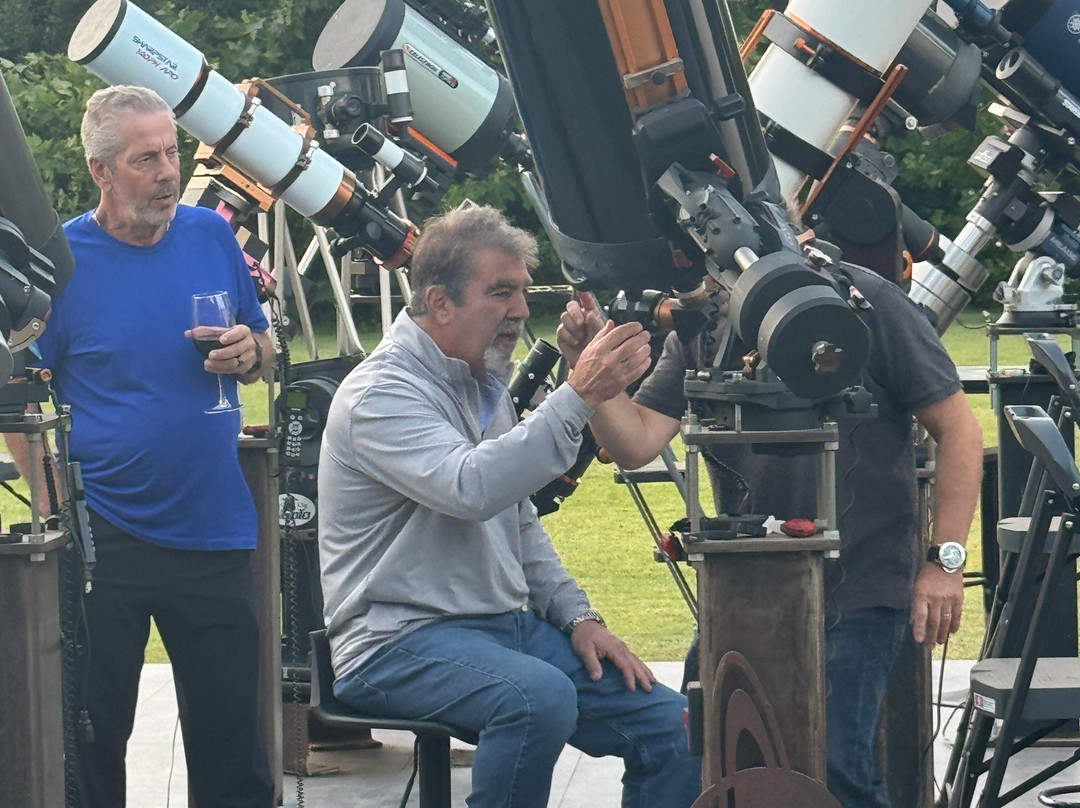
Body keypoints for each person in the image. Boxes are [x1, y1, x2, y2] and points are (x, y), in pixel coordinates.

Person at [558, 255, 983, 808]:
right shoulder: (704, 320)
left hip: (862, 585)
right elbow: (633, 444)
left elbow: (959, 431)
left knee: (833, 769)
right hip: (743, 590)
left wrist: (944, 564)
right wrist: (589, 373)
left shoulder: (865, 302)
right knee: (705, 755)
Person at [318, 203, 701, 808]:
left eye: (523, 291)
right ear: (440, 303)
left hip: (503, 631)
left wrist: (580, 619)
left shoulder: (480, 382)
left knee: (678, 726)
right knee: (536, 698)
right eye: (500, 293)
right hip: (394, 642)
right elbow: (471, 489)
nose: (521, 311)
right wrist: (577, 394)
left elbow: (518, 523)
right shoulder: (377, 394)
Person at [10, 85, 276, 807]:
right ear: (101, 171)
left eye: (171, 152)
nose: (167, 172)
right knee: (94, 743)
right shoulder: (58, 263)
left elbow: (263, 341)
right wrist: (58, 510)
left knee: (233, 745)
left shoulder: (211, 235)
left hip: (215, 529)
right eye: (144, 159)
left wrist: (250, 351)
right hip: (106, 542)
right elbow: (16, 398)